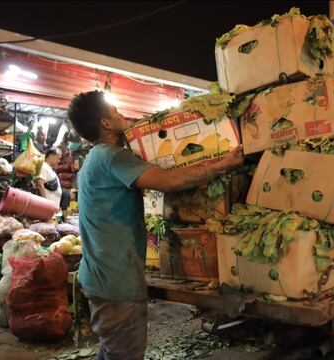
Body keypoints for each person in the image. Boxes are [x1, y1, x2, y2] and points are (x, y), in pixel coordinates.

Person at [67, 91, 243, 360]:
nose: (121, 113)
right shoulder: (113, 157)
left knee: (111, 351)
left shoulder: (96, 157)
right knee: (124, 354)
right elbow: (170, 181)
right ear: (105, 123)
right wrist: (222, 165)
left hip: (101, 277)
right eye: (114, 110)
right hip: (115, 283)